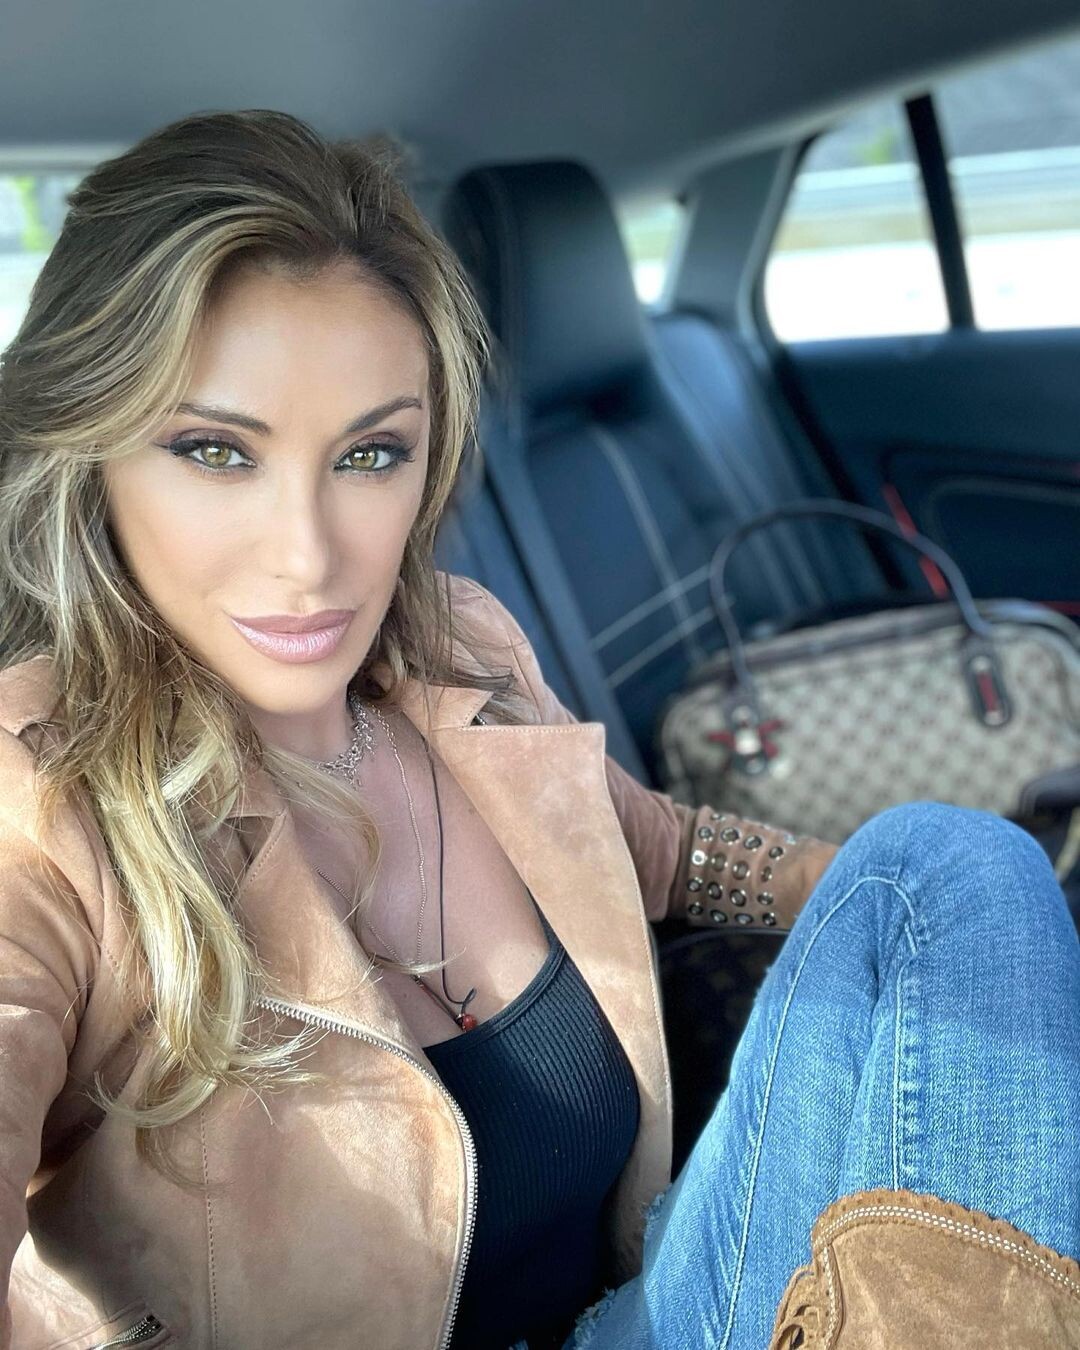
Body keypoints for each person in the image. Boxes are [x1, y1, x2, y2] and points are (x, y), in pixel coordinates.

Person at [0, 108, 1075, 1350]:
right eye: (214, 452)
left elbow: (648, 844)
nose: (308, 556)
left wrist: (901, 928)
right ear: (90, 453)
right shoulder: (40, 797)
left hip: (646, 1307)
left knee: (958, 865)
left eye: (370, 455)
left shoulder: (455, 649)